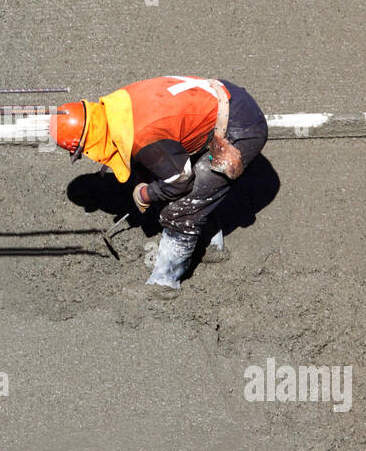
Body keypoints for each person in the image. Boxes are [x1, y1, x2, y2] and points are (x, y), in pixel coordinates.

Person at [49, 75, 268, 299]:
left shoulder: (145, 135)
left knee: (180, 210)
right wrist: (145, 180)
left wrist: (145, 193)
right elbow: (147, 146)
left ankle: (164, 283)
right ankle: (208, 246)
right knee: (181, 185)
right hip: (216, 103)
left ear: (88, 140)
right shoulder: (116, 107)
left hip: (241, 127)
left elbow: (181, 181)